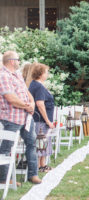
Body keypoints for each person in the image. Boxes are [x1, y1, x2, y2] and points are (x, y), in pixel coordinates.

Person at [0, 51, 41, 184]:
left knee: (31, 143)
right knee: (6, 148)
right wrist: (26, 106)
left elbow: (25, 90)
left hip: (26, 118)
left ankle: (33, 174)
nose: (19, 61)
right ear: (11, 61)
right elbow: (11, 98)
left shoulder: (17, 74)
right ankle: (4, 179)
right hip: (11, 118)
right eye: (18, 59)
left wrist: (32, 102)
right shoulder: (3, 76)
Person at [28, 63, 55, 173]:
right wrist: (48, 121)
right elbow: (40, 104)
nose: (47, 74)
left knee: (43, 141)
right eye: (46, 72)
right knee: (41, 141)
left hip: (40, 120)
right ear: (40, 74)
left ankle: (42, 164)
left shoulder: (36, 84)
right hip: (41, 120)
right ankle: (40, 165)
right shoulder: (38, 86)